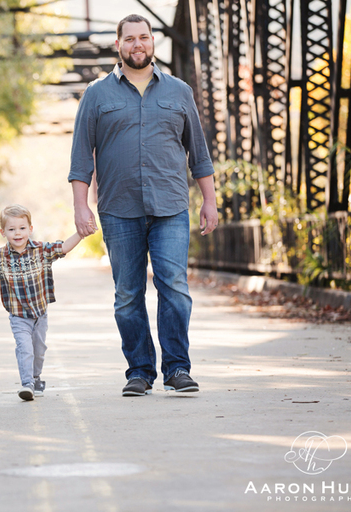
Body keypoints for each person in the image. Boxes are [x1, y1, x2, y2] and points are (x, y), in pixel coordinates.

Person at [68, 14, 218, 397]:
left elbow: (199, 153)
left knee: (175, 288)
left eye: (144, 37)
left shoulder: (179, 91)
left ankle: (177, 368)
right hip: (119, 209)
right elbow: (81, 157)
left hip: (171, 206)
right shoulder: (96, 94)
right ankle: (139, 371)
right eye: (130, 39)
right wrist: (81, 207)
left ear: (153, 42)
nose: (138, 44)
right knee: (128, 295)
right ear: (118, 45)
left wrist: (210, 200)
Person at [0, 204, 91, 401]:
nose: (17, 233)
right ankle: (27, 383)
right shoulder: (1, 256)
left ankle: (36, 378)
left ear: (30, 229)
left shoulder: (41, 250)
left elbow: (63, 247)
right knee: (25, 348)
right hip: (18, 316)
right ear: (3, 232)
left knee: (39, 350)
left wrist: (81, 234)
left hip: (40, 313)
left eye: (22, 228)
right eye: (11, 229)